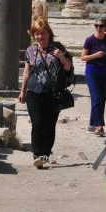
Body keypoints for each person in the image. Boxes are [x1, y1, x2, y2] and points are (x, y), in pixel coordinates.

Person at [19, 17, 72, 169]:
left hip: (54, 94)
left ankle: (45, 154)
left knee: (50, 125)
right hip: (34, 93)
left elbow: (68, 68)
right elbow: (27, 72)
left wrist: (61, 56)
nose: (40, 37)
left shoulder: (59, 48)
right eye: (37, 34)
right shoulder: (30, 50)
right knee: (37, 123)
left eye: (42, 33)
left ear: (49, 33)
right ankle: (37, 154)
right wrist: (22, 91)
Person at [81, 16, 106, 136]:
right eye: (96, 25)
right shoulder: (89, 40)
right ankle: (99, 126)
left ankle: (91, 125)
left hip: (104, 71)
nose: (98, 28)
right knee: (95, 98)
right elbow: (83, 57)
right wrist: (95, 55)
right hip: (92, 71)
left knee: (101, 99)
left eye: (101, 26)